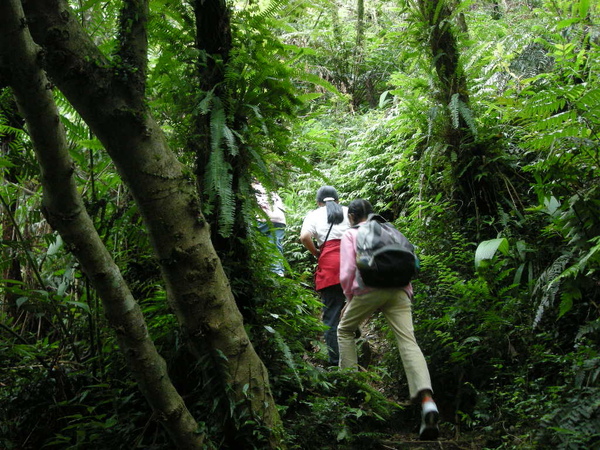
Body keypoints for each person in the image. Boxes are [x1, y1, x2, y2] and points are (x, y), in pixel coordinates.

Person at [337, 199, 440, 440]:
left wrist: (349, 300)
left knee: (344, 330)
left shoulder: (351, 233)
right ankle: (427, 402)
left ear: (351, 217)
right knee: (408, 341)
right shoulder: (391, 230)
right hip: (400, 289)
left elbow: (347, 272)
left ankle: (352, 393)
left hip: (367, 289)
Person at [300, 186, 350, 366]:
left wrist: (317, 253)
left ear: (318, 202)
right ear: (337, 200)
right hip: (352, 264)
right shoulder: (348, 211)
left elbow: (304, 236)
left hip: (330, 267)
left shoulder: (313, 215)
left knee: (331, 316)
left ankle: (335, 362)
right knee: (355, 306)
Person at [253, 181, 287, 276]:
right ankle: (278, 272)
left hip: (263, 218)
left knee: (253, 242)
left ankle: (262, 272)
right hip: (279, 219)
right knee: (275, 245)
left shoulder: (253, 189)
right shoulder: (271, 190)